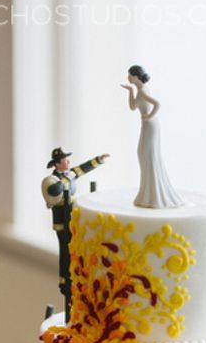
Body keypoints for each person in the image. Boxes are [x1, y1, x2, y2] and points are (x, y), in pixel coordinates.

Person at [42, 146, 109, 302]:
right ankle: (65, 280)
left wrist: (98, 160)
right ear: (57, 164)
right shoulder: (52, 180)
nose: (68, 162)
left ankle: (76, 278)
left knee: (76, 251)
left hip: (73, 220)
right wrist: (69, 176)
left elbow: (82, 169)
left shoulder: (69, 174)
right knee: (65, 251)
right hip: (62, 223)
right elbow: (55, 190)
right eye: (65, 160)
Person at [121, 66, 183, 209]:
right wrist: (130, 92)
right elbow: (132, 107)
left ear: (136, 77)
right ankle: (148, 194)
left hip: (150, 125)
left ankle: (153, 196)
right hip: (147, 125)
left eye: (129, 75)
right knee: (143, 154)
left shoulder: (143, 91)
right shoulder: (139, 90)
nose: (128, 78)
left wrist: (149, 116)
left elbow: (157, 103)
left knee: (147, 155)